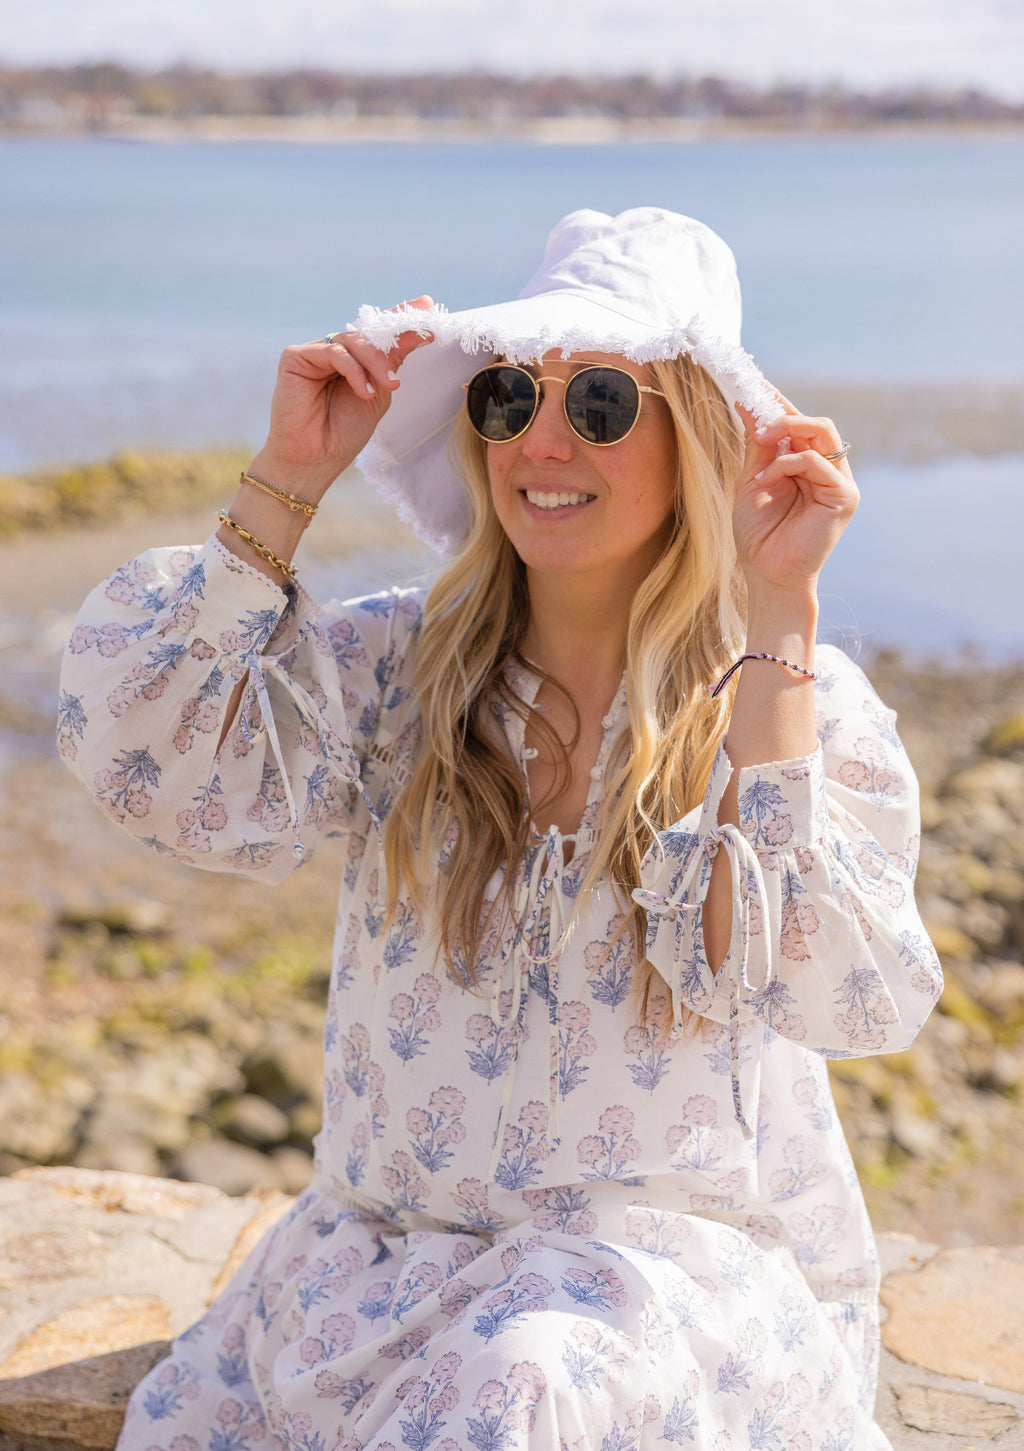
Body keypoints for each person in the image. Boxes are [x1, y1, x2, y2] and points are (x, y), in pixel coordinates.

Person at [58, 207, 942, 1451]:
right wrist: (291, 475)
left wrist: (779, 607)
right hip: (373, 1279)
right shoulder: (395, 665)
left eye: (601, 403)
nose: (539, 438)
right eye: (507, 394)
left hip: (645, 1295)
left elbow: (837, 990)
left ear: (695, 437)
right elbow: (147, 759)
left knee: (522, 1380)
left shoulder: (787, 701)